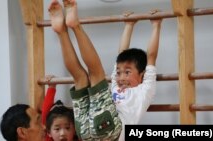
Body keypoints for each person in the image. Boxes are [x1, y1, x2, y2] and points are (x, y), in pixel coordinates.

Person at [48, 0, 121, 140]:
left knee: (96, 74)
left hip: (107, 132)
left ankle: (74, 26)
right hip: (83, 134)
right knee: (79, 77)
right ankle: (61, 32)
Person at [111, 12, 162, 140]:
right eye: (118, 73)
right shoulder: (115, 86)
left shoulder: (144, 91)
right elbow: (121, 54)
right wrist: (129, 25)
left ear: (142, 76)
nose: (121, 77)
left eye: (127, 72)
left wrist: (156, 25)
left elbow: (151, 56)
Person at [41, 75, 79, 141]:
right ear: (49, 132)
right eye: (57, 129)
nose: (62, 133)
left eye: (67, 128)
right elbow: (45, 117)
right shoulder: (48, 139)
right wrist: (51, 87)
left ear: (74, 130)